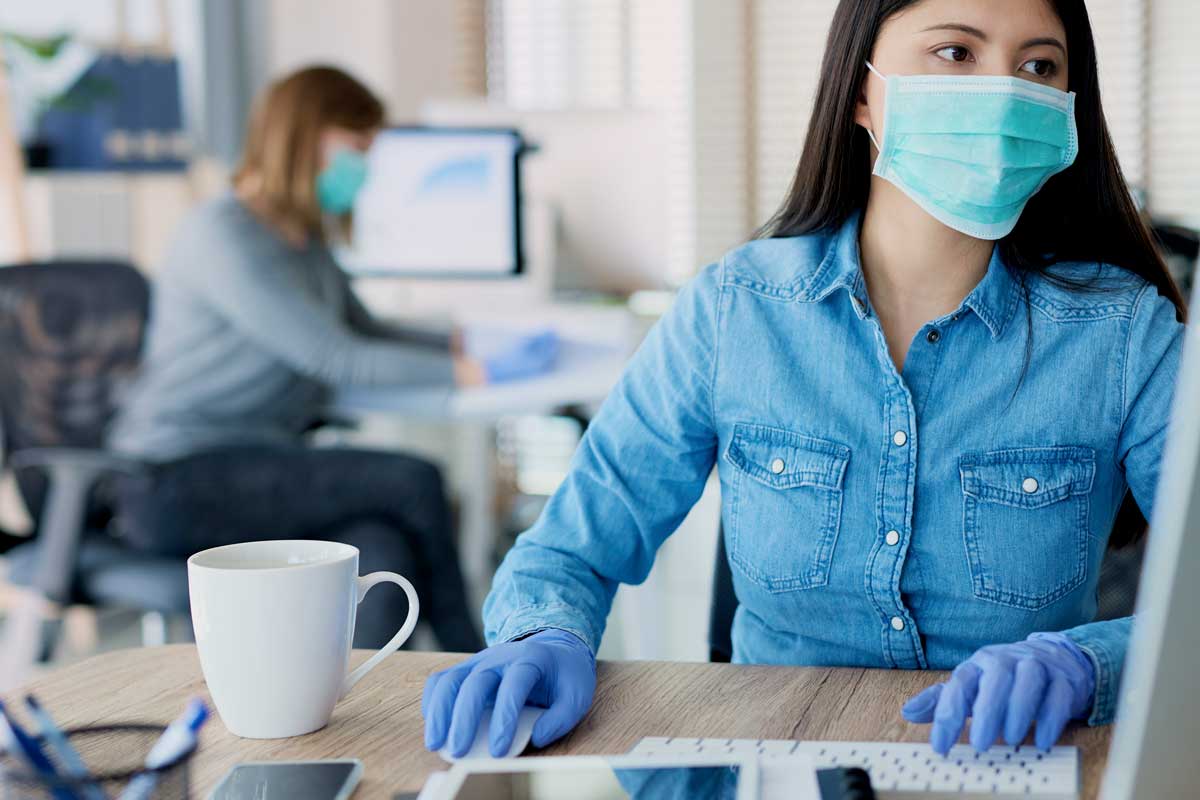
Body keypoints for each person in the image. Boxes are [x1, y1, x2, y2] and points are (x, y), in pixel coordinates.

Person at [422, 0, 1187, 760]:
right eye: (956, 52)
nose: (1004, 92)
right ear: (861, 90)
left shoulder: (1127, 336)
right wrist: (545, 632)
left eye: (1038, 66)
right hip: (766, 762)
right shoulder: (733, 312)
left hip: (1015, 763)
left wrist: (1091, 665)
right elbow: (573, 548)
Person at [107, 66, 557, 651]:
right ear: (305, 135)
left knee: (382, 545)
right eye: (358, 146)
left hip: (257, 460)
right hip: (175, 478)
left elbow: (364, 327)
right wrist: (468, 373)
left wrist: (461, 343)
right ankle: (473, 659)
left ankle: (365, 714)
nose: (366, 165)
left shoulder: (302, 238)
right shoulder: (223, 236)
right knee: (415, 481)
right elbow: (335, 356)